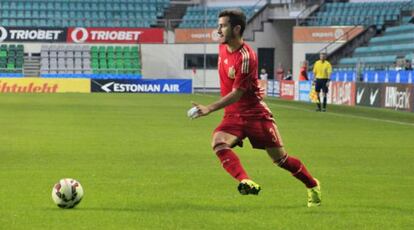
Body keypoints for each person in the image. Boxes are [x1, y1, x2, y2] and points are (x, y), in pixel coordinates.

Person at [190, 9, 321, 207]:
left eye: (223, 26)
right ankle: (245, 180)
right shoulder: (222, 48)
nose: (218, 30)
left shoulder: (246, 57)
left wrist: (209, 108)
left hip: (255, 115)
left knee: (281, 160)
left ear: (236, 28)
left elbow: (238, 93)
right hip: (233, 114)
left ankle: (312, 185)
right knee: (218, 142)